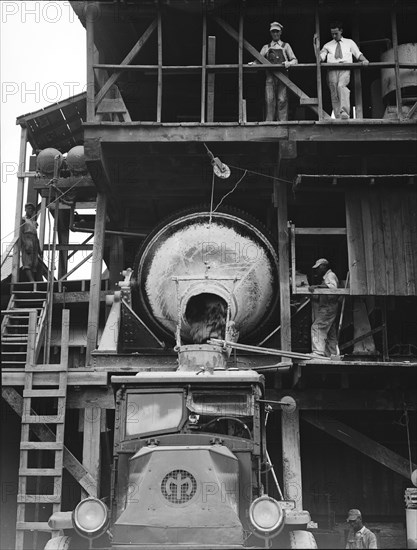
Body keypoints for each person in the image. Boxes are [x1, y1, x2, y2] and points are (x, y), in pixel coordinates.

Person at [319, 21, 369, 119]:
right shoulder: (327, 45)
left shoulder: (349, 42)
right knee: (334, 92)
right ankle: (338, 117)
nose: (334, 36)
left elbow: (358, 54)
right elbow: (320, 57)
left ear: (341, 31)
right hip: (332, 70)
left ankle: (344, 112)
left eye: (336, 33)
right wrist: (315, 48)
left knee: (341, 87)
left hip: (344, 68)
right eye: (332, 34)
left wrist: (365, 60)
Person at [259, 21, 298, 121]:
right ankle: (269, 123)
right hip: (270, 77)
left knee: (282, 100)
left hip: (283, 77)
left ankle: (283, 123)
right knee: (269, 100)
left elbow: (295, 60)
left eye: (277, 31)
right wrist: (253, 63)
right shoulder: (266, 47)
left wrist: (289, 63)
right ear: (270, 33)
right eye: (273, 32)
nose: (275, 34)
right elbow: (258, 60)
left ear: (280, 32)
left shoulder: (286, 46)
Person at [309, 258, 339, 357]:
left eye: (319, 268)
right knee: (330, 332)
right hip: (329, 307)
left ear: (324, 266)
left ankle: (318, 352)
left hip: (328, 307)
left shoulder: (330, 275)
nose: (317, 270)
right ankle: (332, 354)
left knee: (317, 327)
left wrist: (316, 287)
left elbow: (332, 288)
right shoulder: (326, 277)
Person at [20, 202, 40, 282]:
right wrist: (25, 243)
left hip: (34, 240)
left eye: (32, 209)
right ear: (25, 209)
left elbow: (36, 236)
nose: (30, 210)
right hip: (27, 238)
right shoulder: (23, 219)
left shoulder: (33, 222)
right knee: (27, 260)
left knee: (35, 261)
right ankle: (31, 280)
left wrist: (39, 248)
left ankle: (34, 279)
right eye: (29, 208)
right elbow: (20, 232)